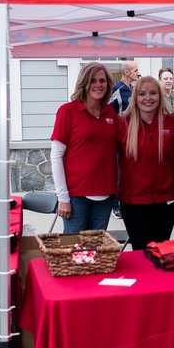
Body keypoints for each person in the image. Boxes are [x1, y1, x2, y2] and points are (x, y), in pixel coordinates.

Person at [51, 62, 117, 233]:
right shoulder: (68, 111)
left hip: (106, 194)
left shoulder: (111, 113)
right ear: (84, 83)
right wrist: (63, 197)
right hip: (76, 197)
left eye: (102, 81)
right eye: (92, 80)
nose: (98, 85)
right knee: (74, 252)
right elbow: (56, 156)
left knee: (95, 253)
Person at [115, 76, 174, 250]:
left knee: (161, 252)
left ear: (160, 96)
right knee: (141, 253)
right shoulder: (122, 124)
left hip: (165, 201)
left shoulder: (171, 122)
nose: (147, 98)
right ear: (135, 97)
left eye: (153, 93)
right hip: (133, 202)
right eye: (142, 94)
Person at [110, 60, 140, 219]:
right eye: (136, 70)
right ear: (127, 73)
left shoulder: (135, 88)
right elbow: (111, 112)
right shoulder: (116, 90)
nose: (138, 73)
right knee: (118, 170)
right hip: (119, 137)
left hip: (133, 136)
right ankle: (115, 205)